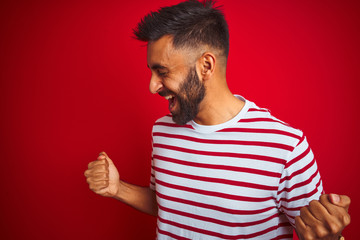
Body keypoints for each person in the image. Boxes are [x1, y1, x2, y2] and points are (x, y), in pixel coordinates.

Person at [84, 0, 351, 239]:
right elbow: (169, 203)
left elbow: (317, 230)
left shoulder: (285, 146)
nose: (153, 86)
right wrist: (117, 189)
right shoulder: (162, 130)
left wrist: (330, 236)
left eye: (161, 71)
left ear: (206, 66)